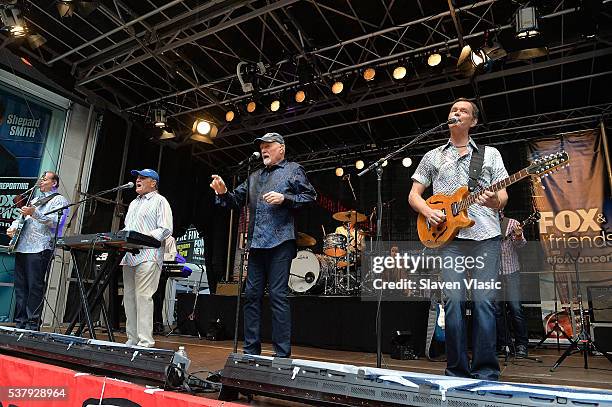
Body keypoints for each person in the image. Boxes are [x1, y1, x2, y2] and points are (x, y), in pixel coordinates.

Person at [408, 98, 509, 380]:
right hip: (448, 240)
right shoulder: (433, 156)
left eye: (463, 110)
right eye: (453, 109)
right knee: (452, 302)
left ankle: (486, 369)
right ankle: (456, 368)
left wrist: (493, 202)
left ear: (473, 121)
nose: (456, 112)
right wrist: (428, 211)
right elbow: (414, 195)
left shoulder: (490, 154)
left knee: (484, 302)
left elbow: (503, 197)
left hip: (485, 236)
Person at [210, 132, 316, 358]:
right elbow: (234, 201)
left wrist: (285, 199)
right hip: (256, 245)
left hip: (281, 242)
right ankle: (250, 352)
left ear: (282, 149)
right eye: (261, 146)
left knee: (277, 296)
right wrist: (222, 192)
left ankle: (281, 355)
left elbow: (310, 197)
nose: (264, 149)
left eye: (269, 145)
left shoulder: (293, 170)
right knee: (251, 296)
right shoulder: (254, 176)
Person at [6, 171, 68, 330]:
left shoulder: (59, 200)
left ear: (54, 183)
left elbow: (56, 222)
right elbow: (22, 219)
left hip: (40, 248)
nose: (41, 181)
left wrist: (35, 213)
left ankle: (32, 325)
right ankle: (20, 323)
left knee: (35, 287)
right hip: (23, 247)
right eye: (41, 178)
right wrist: (13, 228)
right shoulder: (35, 199)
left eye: (45, 179)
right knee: (21, 288)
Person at [121, 169, 173, 348]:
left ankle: (145, 341)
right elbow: (127, 227)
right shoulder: (133, 203)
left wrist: (142, 236)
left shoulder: (160, 201)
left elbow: (165, 228)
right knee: (128, 298)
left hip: (149, 255)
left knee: (143, 296)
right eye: (137, 177)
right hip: (129, 255)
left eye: (143, 178)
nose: (137, 180)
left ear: (153, 183)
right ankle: (132, 338)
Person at [496, 212, 529, 358]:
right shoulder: (485, 224)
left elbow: (521, 245)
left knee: (515, 307)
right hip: (493, 273)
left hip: (511, 271)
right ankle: (505, 344)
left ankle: (522, 344)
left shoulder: (512, 223)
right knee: (497, 310)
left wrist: (518, 235)